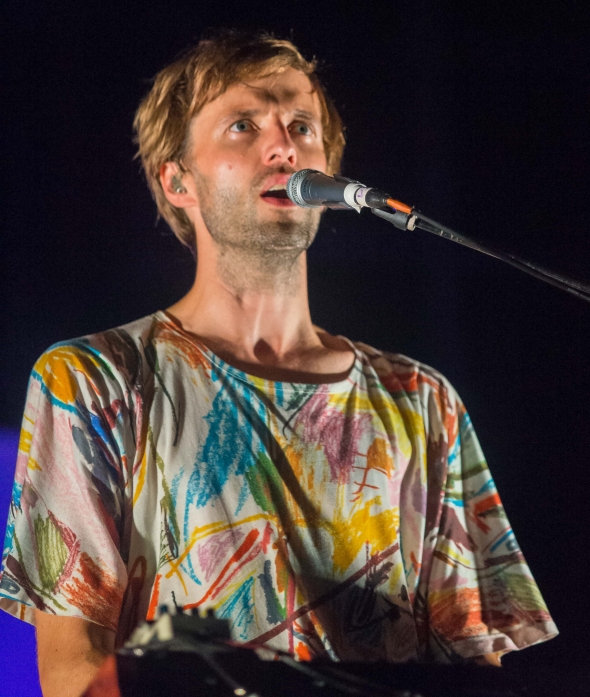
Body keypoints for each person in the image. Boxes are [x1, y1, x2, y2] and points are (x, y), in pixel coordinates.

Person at [0, 31, 557, 697]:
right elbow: (73, 667)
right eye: (243, 125)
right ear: (178, 181)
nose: (284, 147)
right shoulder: (94, 380)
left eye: (301, 127)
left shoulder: (420, 398)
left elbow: (474, 666)